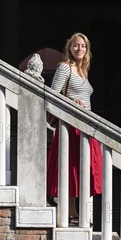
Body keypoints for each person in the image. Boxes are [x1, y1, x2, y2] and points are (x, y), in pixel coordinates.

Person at [46, 32, 103, 225]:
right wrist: (71, 100)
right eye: (76, 45)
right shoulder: (65, 68)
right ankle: (70, 211)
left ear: (87, 50)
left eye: (83, 46)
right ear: (70, 48)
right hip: (72, 124)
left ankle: (77, 211)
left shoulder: (83, 71)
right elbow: (52, 95)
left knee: (84, 168)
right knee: (71, 167)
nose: (80, 49)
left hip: (87, 125)